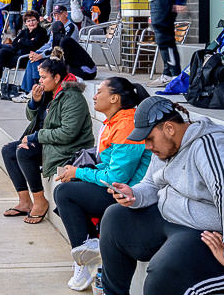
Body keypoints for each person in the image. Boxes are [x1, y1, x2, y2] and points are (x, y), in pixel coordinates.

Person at [100, 96, 224, 295]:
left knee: (164, 274)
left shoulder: (212, 147)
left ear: (169, 128)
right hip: (183, 225)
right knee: (115, 217)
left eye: (150, 138)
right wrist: (133, 195)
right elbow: (151, 183)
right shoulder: (165, 148)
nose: (147, 146)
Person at [51, 77, 152, 291]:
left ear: (114, 98)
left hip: (128, 196)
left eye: (99, 92)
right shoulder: (114, 122)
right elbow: (106, 166)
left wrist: (78, 171)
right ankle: (86, 251)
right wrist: (77, 172)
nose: (94, 96)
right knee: (70, 186)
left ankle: (85, 256)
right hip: (114, 188)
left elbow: (117, 177)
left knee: (66, 193)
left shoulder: (127, 125)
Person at [0, 57, 94, 225]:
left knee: (24, 151)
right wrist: (34, 102)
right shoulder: (50, 93)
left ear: (56, 78)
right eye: (40, 77)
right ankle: (24, 202)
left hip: (68, 148)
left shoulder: (72, 98)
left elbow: (68, 133)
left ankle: (40, 200)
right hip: (49, 142)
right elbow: (32, 118)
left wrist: (36, 137)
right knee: (8, 150)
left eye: (44, 77)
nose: (40, 81)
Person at [0, 9, 47, 97]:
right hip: (18, 55)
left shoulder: (41, 32)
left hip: (27, 58)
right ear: (25, 23)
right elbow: (15, 44)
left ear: (38, 21)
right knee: (2, 51)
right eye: (28, 21)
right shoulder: (24, 32)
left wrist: (22, 41)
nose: (31, 23)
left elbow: (33, 45)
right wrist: (25, 42)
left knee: (2, 56)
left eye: (33, 20)